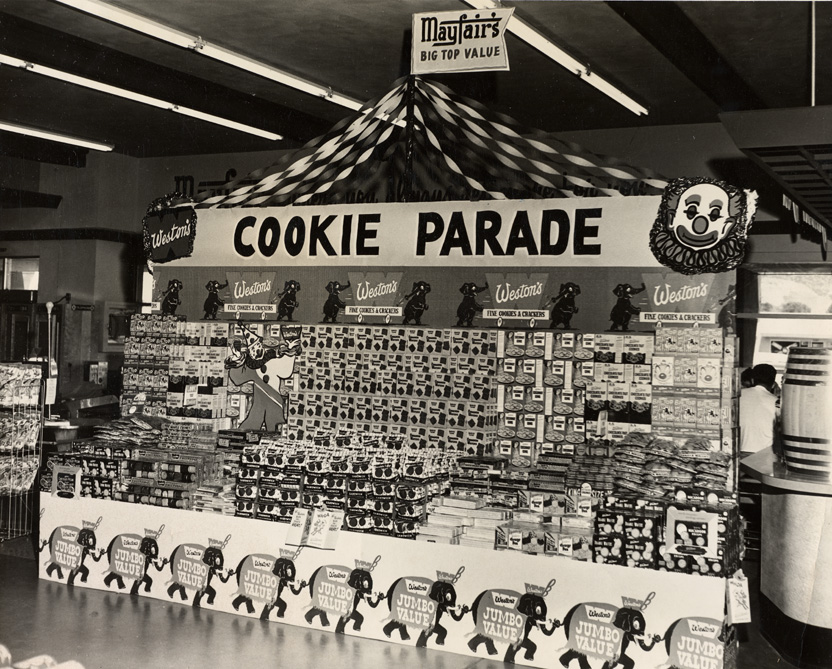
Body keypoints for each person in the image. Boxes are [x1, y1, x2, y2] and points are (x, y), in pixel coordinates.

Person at [740, 364, 780, 455]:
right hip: (764, 456)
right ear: (773, 384)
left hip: (737, 452)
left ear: (752, 380)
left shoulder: (738, 396)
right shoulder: (777, 402)